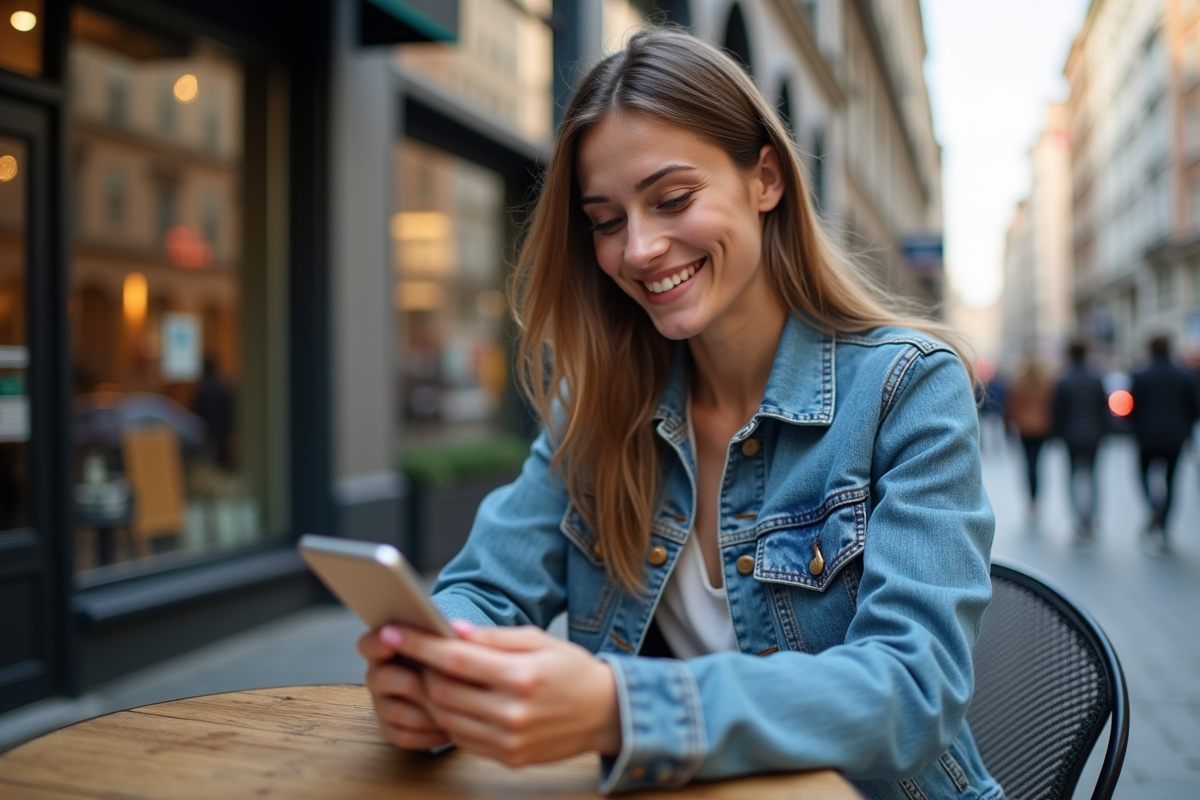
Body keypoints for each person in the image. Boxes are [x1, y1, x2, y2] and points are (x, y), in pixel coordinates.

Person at [359, 28, 999, 800]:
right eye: (605, 219)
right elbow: (486, 590)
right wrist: (438, 670)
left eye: (672, 199)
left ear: (765, 179)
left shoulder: (907, 389)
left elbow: (912, 692)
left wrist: (620, 710)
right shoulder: (597, 400)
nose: (639, 248)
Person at [1129, 335, 1200, 552]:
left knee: (1142, 475)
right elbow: (1194, 409)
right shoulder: (1184, 376)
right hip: (1175, 437)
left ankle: (1154, 508)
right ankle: (1164, 523)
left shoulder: (1141, 376)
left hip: (1147, 436)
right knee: (1171, 480)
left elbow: (1131, 408)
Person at [1051, 339, 1110, 542]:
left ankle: (1078, 521)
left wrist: (1058, 434)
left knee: (1072, 478)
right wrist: (1104, 431)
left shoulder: (1064, 380)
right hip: (1093, 435)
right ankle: (1091, 519)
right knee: (1092, 477)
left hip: (1071, 436)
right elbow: (1103, 410)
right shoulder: (1096, 378)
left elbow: (1058, 412)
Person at [1003, 357, 1054, 520]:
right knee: (1038, 463)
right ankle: (1036, 498)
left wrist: (1010, 425)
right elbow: (1051, 407)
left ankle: (1031, 500)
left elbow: (1011, 407)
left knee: (1028, 463)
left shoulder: (1019, 385)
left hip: (1024, 428)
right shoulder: (1045, 384)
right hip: (1041, 428)